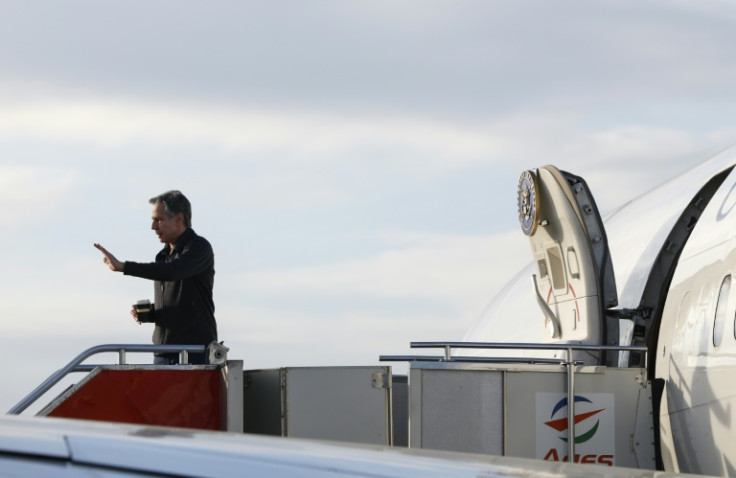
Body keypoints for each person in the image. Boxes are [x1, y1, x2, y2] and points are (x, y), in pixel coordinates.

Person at [94, 190, 217, 365]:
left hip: (193, 353)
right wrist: (153, 313)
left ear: (179, 219)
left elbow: (173, 271)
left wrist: (124, 266)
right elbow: (181, 299)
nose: (153, 226)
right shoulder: (163, 255)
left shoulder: (199, 247)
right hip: (163, 353)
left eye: (159, 220)